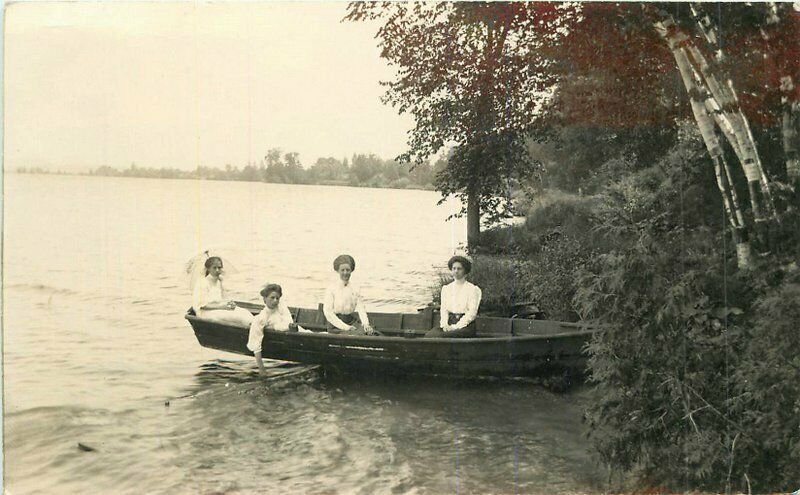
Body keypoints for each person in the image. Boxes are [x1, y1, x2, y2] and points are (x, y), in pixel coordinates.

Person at [247, 283, 299, 375]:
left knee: (309, 332)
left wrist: (274, 327)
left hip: (296, 332)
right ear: (265, 299)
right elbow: (256, 344)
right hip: (290, 337)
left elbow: (289, 323)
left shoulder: (281, 306)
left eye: (277, 298)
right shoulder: (261, 318)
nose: (275, 301)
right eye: (272, 298)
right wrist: (261, 368)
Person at [425, 255, 482, 338]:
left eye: (459, 269)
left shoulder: (473, 289)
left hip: (465, 326)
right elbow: (444, 310)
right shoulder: (446, 289)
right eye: (454, 268)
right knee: (429, 335)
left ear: (465, 271)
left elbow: (472, 313)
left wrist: (455, 327)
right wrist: (445, 325)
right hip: (449, 323)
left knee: (441, 336)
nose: (456, 271)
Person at [322, 254, 378, 335]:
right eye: (342, 270)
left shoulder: (355, 288)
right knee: (359, 335)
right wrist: (346, 328)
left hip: (351, 321)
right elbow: (328, 313)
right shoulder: (331, 288)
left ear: (351, 270)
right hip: (336, 326)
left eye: (348, 270)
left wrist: (366, 324)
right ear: (338, 271)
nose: (345, 273)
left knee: (372, 332)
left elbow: (361, 308)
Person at [191, 256, 254, 327]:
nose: (217, 270)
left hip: (218, 308)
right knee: (239, 317)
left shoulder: (219, 281)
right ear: (208, 269)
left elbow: (222, 299)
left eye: (219, 267)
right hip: (206, 312)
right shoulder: (202, 283)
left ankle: (254, 328)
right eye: (214, 268)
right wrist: (223, 307)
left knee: (245, 312)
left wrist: (229, 303)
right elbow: (202, 306)